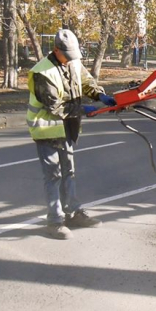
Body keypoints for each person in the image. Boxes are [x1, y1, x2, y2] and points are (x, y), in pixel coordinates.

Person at [27, 29, 117, 240]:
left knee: (69, 172)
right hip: (46, 129)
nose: (70, 60)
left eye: (73, 56)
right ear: (56, 50)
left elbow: (86, 82)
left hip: (67, 127)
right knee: (53, 176)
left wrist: (100, 95)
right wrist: (84, 110)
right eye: (67, 56)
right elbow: (55, 107)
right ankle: (54, 222)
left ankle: (72, 213)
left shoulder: (73, 61)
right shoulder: (43, 73)